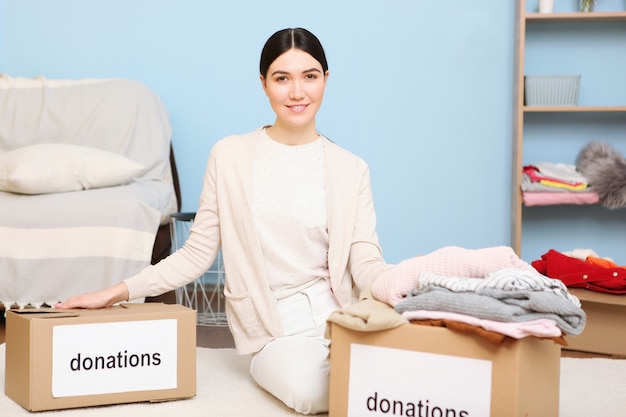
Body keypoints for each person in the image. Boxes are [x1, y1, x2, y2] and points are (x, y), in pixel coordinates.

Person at [55, 27, 390, 415]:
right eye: (282, 78)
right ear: (264, 84)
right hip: (275, 329)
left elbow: (364, 257)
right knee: (314, 392)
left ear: (325, 80)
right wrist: (117, 292)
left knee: (398, 370)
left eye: (309, 76)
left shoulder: (351, 168)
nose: (297, 93)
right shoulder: (231, 157)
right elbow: (196, 253)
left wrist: (397, 286)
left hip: (341, 319)